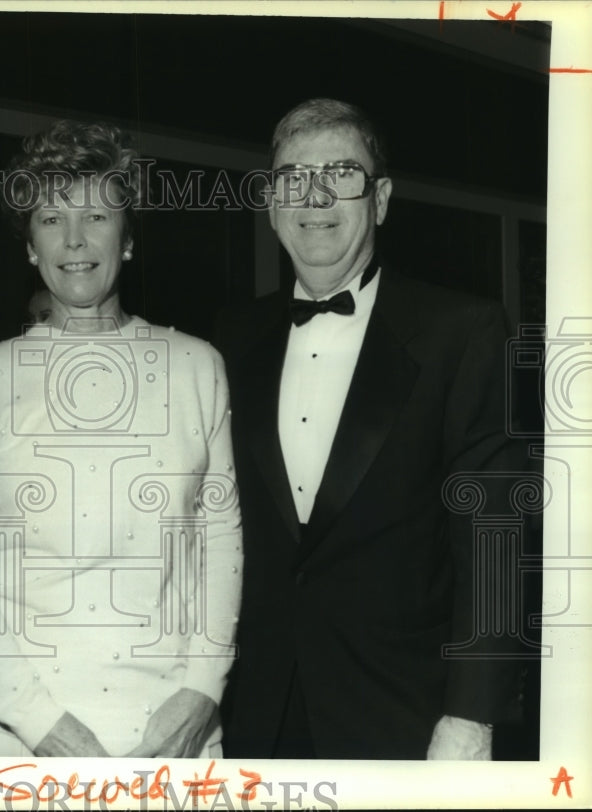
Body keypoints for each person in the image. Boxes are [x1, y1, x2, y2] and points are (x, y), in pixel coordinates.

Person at [0, 120, 242, 757]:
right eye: (50, 218)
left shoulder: (197, 365)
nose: (75, 240)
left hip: (170, 731)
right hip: (8, 735)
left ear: (127, 240)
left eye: (97, 215)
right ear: (30, 248)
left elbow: (218, 541)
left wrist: (203, 688)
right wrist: (42, 724)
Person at [215, 98, 524, 760]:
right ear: (271, 202)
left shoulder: (462, 332)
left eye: (341, 173)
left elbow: (494, 539)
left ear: (380, 199)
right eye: (293, 176)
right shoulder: (228, 340)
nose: (315, 194)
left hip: (405, 715)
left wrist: (473, 715)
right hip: (256, 715)